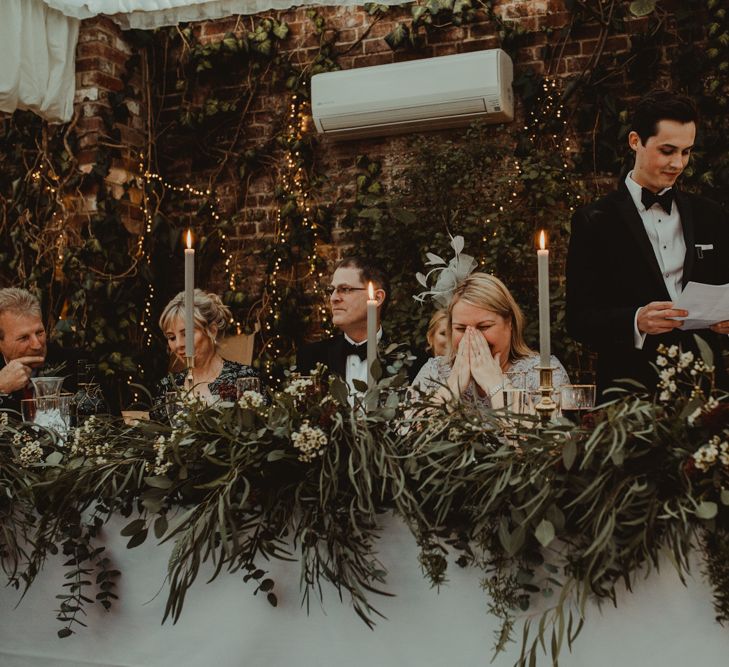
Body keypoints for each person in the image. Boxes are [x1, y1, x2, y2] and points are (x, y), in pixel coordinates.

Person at [566, 90, 729, 397]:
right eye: (667, 151)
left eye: (686, 152)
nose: (678, 163)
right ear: (635, 141)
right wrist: (636, 320)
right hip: (630, 391)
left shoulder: (711, 215)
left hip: (705, 388)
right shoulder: (594, 221)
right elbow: (578, 320)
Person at [412, 273, 569, 409]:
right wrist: (453, 385)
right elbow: (410, 431)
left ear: (509, 323)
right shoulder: (434, 371)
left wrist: (495, 385)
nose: (472, 337)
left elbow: (547, 434)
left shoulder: (544, 373)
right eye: (460, 328)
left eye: (484, 327)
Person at [297, 256, 419, 398]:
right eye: (332, 290)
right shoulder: (310, 357)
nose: (333, 298)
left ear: (377, 298)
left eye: (345, 289)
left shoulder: (412, 362)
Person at [153, 289, 260, 414]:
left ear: (212, 331)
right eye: (172, 337)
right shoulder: (167, 388)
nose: (178, 345)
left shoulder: (244, 379)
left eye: (186, 334)